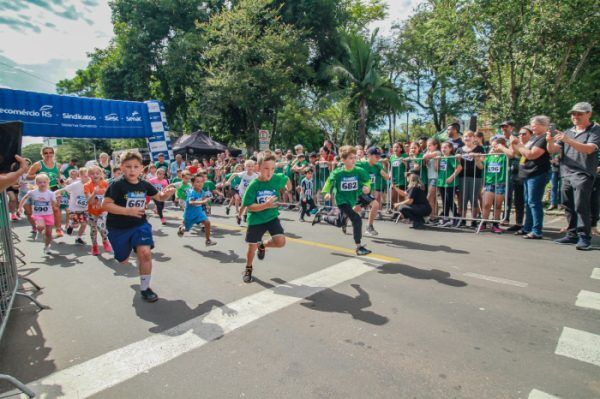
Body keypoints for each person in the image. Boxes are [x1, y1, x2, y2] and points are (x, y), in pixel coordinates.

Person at [102, 150, 175, 302]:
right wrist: (127, 211)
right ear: (121, 167)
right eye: (128, 167)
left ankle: (145, 288)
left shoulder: (144, 185)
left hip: (139, 224)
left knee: (145, 253)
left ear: (142, 168)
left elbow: (159, 197)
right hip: (118, 228)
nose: (132, 170)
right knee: (122, 260)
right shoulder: (117, 185)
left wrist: (166, 194)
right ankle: (126, 251)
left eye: (136, 167)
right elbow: (106, 205)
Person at [548, 102, 600, 250]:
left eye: (579, 114)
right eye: (573, 114)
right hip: (566, 172)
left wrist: (568, 140)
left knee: (581, 205)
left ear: (589, 114)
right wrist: (549, 141)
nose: (575, 116)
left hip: (583, 173)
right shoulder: (568, 131)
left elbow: (589, 149)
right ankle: (572, 234)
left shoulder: (595, 130)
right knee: (568, 204)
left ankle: (584, 237)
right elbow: (553, 149)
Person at [241, 153, 291, 283]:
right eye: (266, 168)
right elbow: (249, 206)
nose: (270, 172)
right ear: (258, 168)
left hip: (272, 217)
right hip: (256, 220)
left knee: (281, 242)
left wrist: (287, 188)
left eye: (273, 168)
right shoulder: (254, 185)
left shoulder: (276, 178)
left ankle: (262, 245)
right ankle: (248, 268)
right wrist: (265, 205)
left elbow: (286, 180)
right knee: (252, 247)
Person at [314, 145, 372, 256]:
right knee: (357, 219)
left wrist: (367, 187)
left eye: (354, 157)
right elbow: (329, 181)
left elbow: (367, 181)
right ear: (343, 160)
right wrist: (326, 193)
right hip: (341, 200)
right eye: (351, 158)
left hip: (352, 200)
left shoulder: (359, 170)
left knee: (339, 222)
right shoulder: (338, 172)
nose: (354, 160)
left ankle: (322, 217)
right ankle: (359, 247)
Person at [512, 117, 551, 239]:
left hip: (537, 173)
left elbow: (531, 154)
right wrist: (516, 145)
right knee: (528, 202)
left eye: (534, 125)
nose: (532, 127)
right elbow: (522, 153)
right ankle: (527, 227)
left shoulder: (544, 138)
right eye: (531, 124)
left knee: (534, 202)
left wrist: (518, 145)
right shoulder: (534, 137)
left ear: (543, 125)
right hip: (527, 173)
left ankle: (537, 230)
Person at [27, 146, 64, 237]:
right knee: (45, 209)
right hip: (42, 189)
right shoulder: (38, 164)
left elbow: (58, 177)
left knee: (56, 209)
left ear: (53, 154)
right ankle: (42, 226)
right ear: (42, 154)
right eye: (46, 153)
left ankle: (58, 229)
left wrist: (62, 183)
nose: (48, 155)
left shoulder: (57, 165)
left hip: (54, 188)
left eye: (50, 152)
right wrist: (40, 176)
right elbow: (28, 176)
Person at [19, 174, 57, 255]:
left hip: (48, 214)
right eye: (40, 182)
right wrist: (20, 207)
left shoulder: (51, 193)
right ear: (36, 183)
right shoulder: (33, 192)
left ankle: (47, 247)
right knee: (40, 226)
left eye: (44, 182)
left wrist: (55, 201)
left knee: (49, 233)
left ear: (48, 183)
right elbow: (24, 198)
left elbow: (55, 205)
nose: (42, 184)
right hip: (38, 214)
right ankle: (39, 232)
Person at [356, 147, 389, 236]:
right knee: (375, 204)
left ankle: (342, 219)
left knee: (356, 209)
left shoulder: (377, 166)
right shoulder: (361, 164)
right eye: (376, 156)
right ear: (369, 155)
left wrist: (386, 175)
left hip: (367, 192)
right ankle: (369, 226)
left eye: (379, 157)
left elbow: (385, 176)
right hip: (359, 191)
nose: (378, 158)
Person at [481, 137, 511, 233]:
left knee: (498, 205)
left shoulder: (505, 156)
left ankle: (495, 224)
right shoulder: (489, 156)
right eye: (492, 146)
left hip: (501, 183)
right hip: (489, 183)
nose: (493, 148)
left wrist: (502, 149)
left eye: (495, 146)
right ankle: (484, 223)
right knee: (486, 204)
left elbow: (511, 154)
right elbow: (481, 165)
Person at [456, 130, 485, 227]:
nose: (467, 138)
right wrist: (458, 159)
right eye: (465, 136)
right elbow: (456, 165)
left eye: (469, 136)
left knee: (474, 198)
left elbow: (482, 165)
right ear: (462, 139)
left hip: (476, 177)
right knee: (463, 199)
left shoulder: (480, 148)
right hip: (462, 177)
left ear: (474, 138)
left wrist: (477, 159)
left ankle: (473, 220)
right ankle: (463, 219)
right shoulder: (459, 150)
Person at [177, 174, 216, 246]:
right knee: (186, 229)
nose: (200, 183)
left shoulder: (201, 191)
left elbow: (203, 198)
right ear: (192, 183)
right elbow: (191, 202)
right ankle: (181, 229)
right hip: (189, 215)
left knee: (207, 222)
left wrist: (207, 204)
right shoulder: (191, 192)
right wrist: (202, 202)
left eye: (202, 182)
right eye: (198, 182)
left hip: (199, 213)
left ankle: (208, 240)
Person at [55, 168, 90, 245]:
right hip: (74, 209)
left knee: (84, 224)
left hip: (84, 209)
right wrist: (51, 195)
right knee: (76, 225)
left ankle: (78, 238)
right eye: (85, 176)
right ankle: (71, 225)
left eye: (88, 176)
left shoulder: (91, 184)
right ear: (80, 176)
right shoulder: (75, 184)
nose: (87, 178)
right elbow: (63, 190)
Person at [84, 166, 111, 255]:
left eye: (97, 173)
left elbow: (110, 197)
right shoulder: (87, 185)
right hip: (92, 212)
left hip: (103, 211)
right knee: (93, 229)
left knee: (101, 226)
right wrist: (94, 193)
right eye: (92, 173)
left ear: (101, 174)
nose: (95, 175)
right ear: (88, 175)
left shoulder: (105, 184)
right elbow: (89, 201)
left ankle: (105, 241)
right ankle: (94, 246)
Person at [437, 141, 462, 227]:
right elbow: (437, 169)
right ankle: (446, 218)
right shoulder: (441, 158)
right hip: (441, 182)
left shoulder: (451, 157)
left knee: (450, 200)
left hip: (450, 183)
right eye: (442, 147)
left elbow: (459, 168)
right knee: (444, 201)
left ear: (450, 149)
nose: (443, 149)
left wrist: (451, 177)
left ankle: (456, 217)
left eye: (445, 147)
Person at [225, 160, 258, 225]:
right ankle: (240, 215)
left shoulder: (255, 175)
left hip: (250, 192)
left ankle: (243, 215)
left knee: (248, 205)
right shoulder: (243, 174)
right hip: (242, 191)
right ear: (245, 167)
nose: (250, 168)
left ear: (254, 167)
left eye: (252, 166)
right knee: (244, 205)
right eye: (248, 166)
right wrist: (228, 181)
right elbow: (234, 174)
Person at [421, 138, 441, 221]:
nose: (428, 147)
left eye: (430, 145)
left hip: (436, 177)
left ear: (435, 145)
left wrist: (426, 156)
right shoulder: (428, 152)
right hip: (430, 177)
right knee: (432, 198)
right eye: (427, 145)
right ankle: (434, 216)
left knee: (429, 196)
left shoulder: (438, 152)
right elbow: (424, 158)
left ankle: (431, 215)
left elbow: (425, 156)